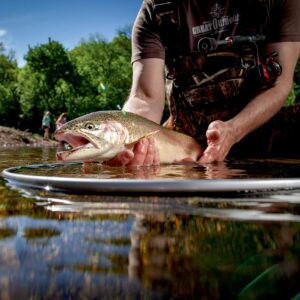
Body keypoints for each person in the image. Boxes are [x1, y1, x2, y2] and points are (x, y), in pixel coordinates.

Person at [108, 0, 300, 167]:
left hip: (262, 133)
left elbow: (279, 85)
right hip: (188, 147)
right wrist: (125, 140)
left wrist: (232, 131)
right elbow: (144, 99)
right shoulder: (155, 9)